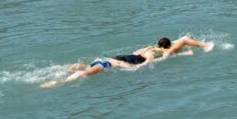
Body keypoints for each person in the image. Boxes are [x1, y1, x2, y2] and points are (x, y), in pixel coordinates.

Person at [41, 36, 213, 88]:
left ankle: (62, 71)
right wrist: (202, 45)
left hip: (108, 59)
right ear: (167, 47)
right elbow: (183, 39)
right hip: (111, 64)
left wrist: (183, 54)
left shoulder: (145, 48)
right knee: (85, 73)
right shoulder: (156, 54)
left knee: (82, 66)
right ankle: (58, 81)